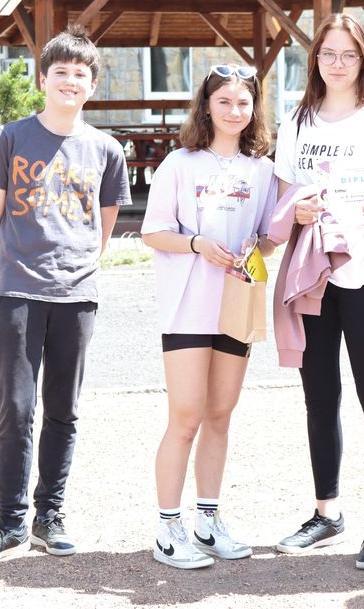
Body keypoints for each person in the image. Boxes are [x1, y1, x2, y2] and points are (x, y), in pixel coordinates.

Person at [0, 24, 131, 564]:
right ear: (42, 79)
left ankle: (49, 516)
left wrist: (79, 266)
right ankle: (10, 521)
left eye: (80, 74)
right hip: (16, 287)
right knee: (16, 407)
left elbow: (105, 222)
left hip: (76, 292)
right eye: (60, 72)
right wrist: (9, 267)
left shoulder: (106, 149)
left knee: (64, 408)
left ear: (92, 85)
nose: (69, 81)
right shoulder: (8, 138)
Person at [271, 13, 364, 571]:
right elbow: (284, 196)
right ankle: (326, 512)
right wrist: (297, 211)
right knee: (319, 394)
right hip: (313, 273)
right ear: (315, 59)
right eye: (328, 53)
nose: (337, 63)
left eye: (348, 54)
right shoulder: (298, 120)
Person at [141, 64, 278, 569]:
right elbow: (153, 232)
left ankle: (207, 521)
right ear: (206, 105)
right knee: (185, 417)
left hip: (235, 304)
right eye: (224, 101)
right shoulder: (180, 164)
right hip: (187, 307)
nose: (234, 111)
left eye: (243, 103)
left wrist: (260, 243)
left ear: (254, 109)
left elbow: (268, 236)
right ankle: (167, 528)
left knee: (220, 415)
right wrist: (198, 243)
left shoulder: (262, 170)